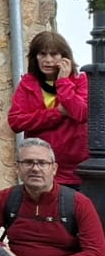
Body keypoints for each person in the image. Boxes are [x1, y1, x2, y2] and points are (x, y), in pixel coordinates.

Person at [8, 30, 88, 187]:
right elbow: (16, 122)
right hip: (39, 167)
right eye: (42, 54)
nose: (48, 60)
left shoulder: (80, 81)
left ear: (64, 57)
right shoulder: (28, 84)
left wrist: (63, 82)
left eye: (54, 54)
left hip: (75, 169)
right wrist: (57, 113)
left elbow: (81, 113)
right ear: (35, 57)